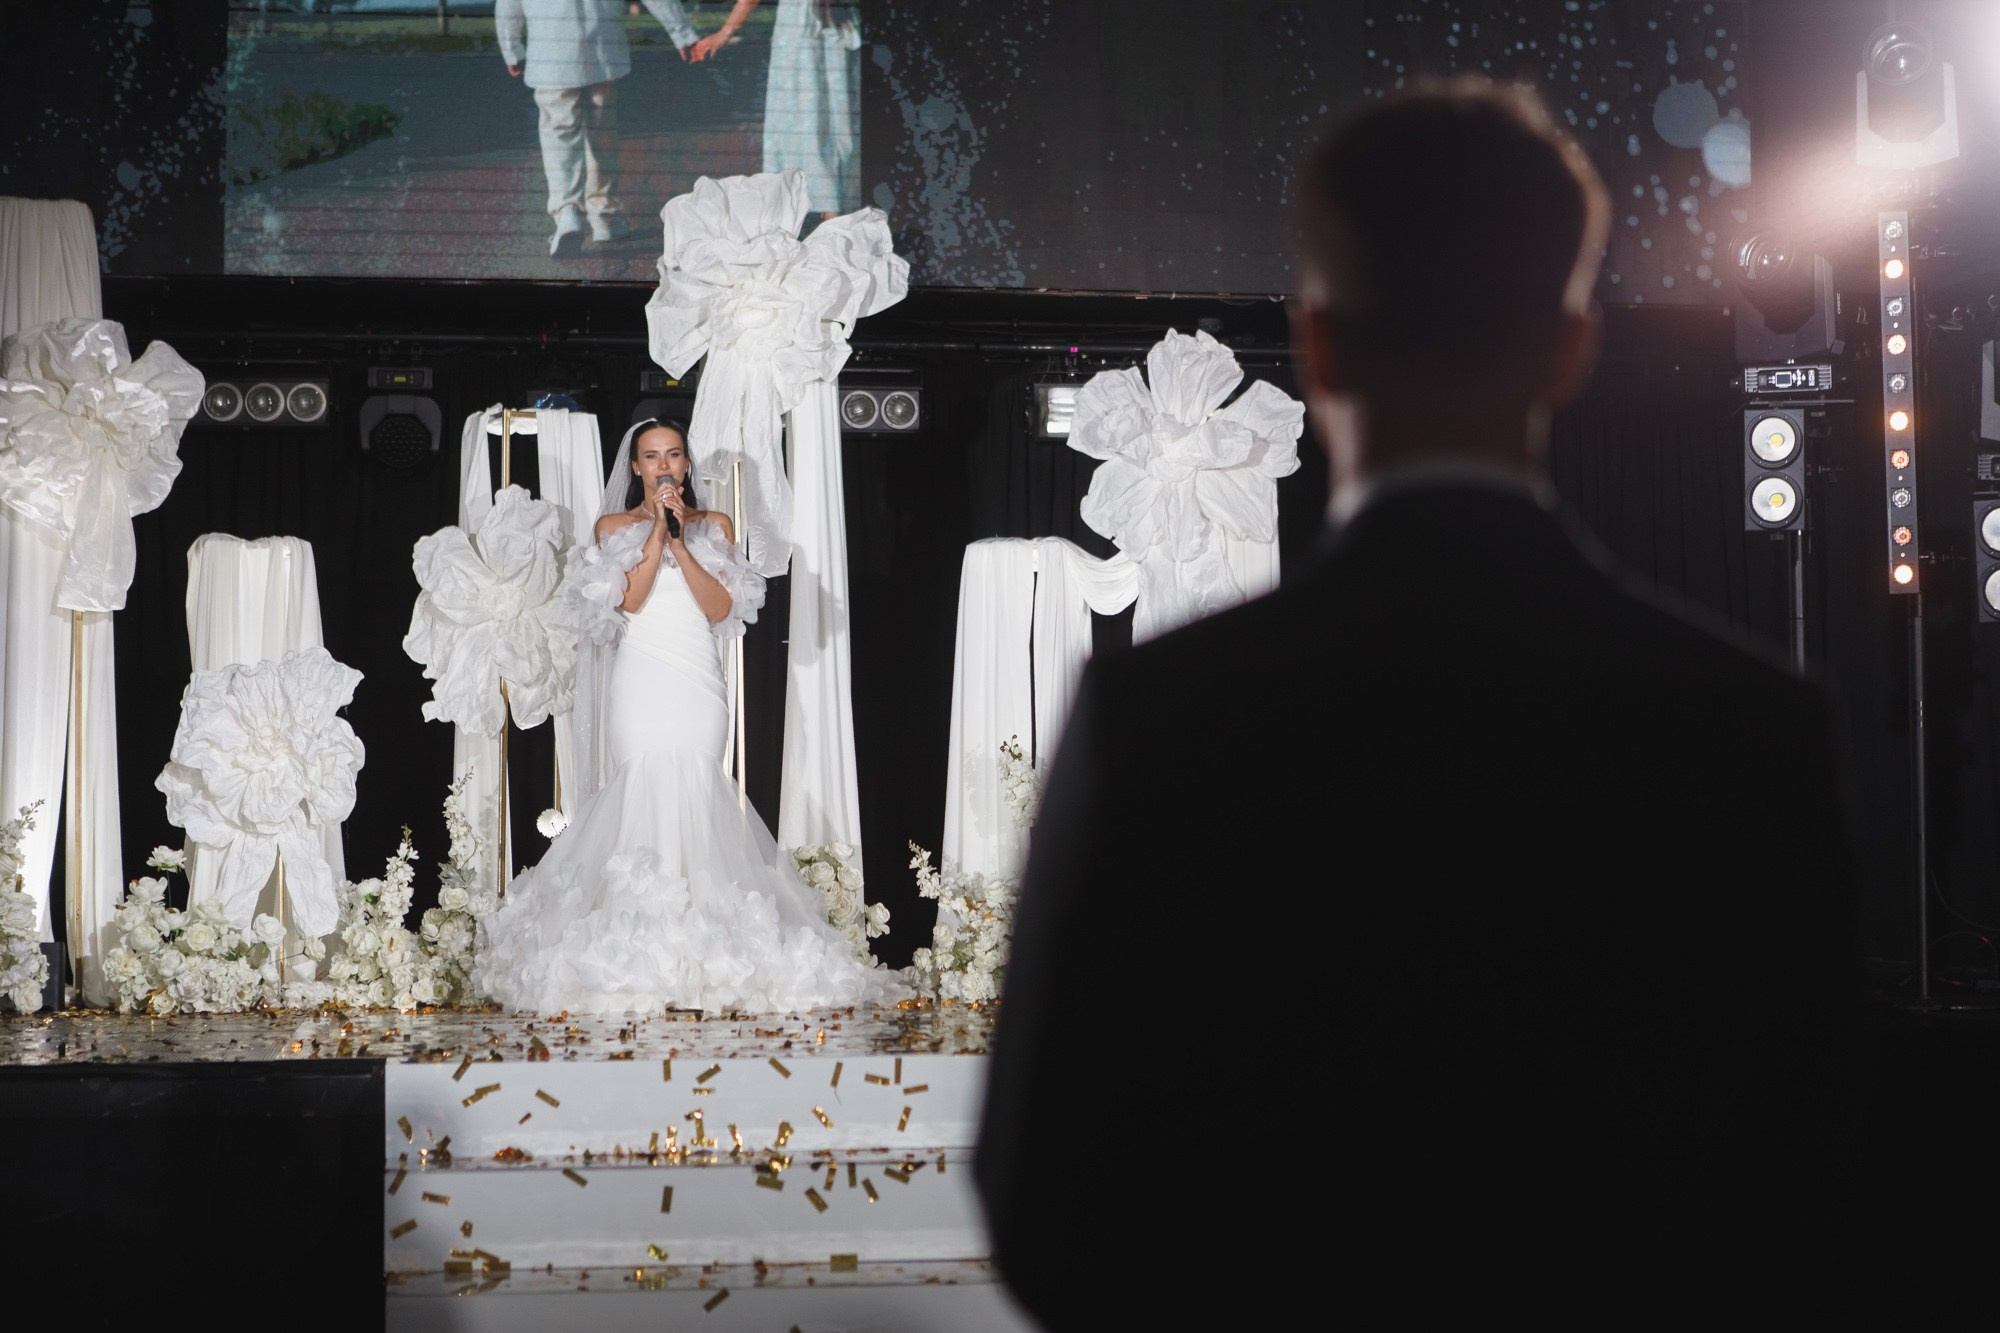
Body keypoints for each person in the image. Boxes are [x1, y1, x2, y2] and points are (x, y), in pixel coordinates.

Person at [973, 79, 1864, 1324]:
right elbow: (1818, 1205)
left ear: (1319, 342)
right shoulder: (1750, 726)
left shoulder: (1160, 714)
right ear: (1571, 348)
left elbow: (1040, 1200)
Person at [473, 419, 901, 1014]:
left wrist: (681, 540)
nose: (664, 465)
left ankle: (709, 957)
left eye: (673, 454)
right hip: (642, 680)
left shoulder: (715, 526)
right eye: (652, 457)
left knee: (699, 792)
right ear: (637, 468)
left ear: (685, 462)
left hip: (696, 680)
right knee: (643, 790)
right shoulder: (612, 527)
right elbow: (631, 599)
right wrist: (655, 533)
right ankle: (634, 956)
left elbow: (719, 606)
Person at [497, 0, 700, 257]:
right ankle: (604, 216)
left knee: (559, 133)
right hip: (603, 49)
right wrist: (681, 33)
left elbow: (508, 6)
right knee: (603, 131)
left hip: (550, 52)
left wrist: (512, 49)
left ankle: (567, 212)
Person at [687, 0, 861, 218]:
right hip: (809, 31)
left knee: (821, 117)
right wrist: (725, 32)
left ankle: (824, 206)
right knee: (817, 116)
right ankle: (822, 205)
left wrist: (725, 32)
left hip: (825, 30)